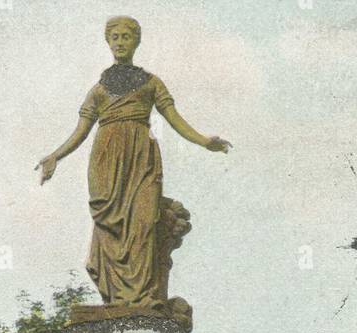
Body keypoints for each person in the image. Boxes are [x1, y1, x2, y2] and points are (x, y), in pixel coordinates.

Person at [36, 16, 230, 317]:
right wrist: (55, 156)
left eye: (126, 36)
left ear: (136, 41)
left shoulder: (151, 83)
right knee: (110, 226)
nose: (120, 42)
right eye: (114, 36)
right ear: (108, 42)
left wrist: (204, 141)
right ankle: (118, 299)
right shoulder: (99, 89)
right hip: (106, 160)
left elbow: (175, 119)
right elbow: (81, 131)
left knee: (144, 222)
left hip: (142, 159)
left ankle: (144, 297)